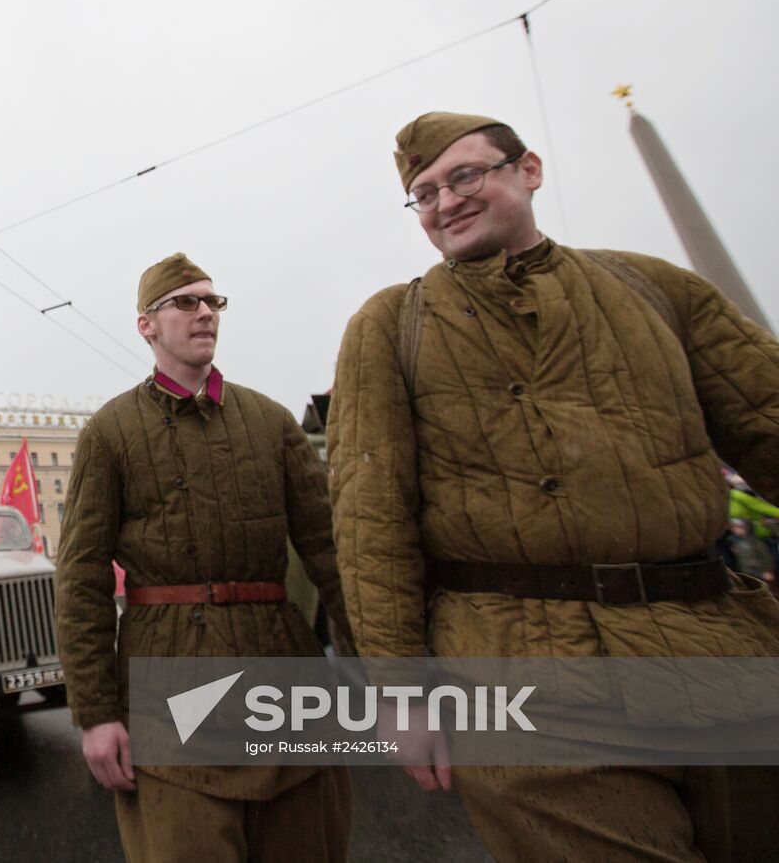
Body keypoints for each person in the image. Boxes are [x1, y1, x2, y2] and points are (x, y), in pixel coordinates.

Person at [327, 112, 779, 861]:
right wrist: (399, 689)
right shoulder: (388, 325)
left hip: (718, 651)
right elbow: (369, 520)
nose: (446, 201)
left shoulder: (655, 288)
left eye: (465, 175)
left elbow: (767, 420)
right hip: (518, 673)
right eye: (425, 192)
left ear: (528, 169)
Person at [56, 253, 353, 863]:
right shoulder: (110, 433)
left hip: (282, 672)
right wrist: (96, 713)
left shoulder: (271, 423)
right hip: (167, 686)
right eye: (186, 303)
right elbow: (81, 580)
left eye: (212, 302)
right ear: (147, 325)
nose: (204, 314)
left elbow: (332, 555)